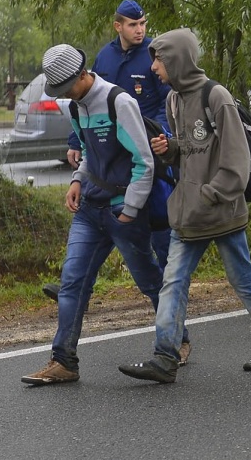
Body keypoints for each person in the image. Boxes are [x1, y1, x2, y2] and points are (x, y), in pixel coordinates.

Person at [120, 28, 251, 383]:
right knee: (173, 282)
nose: (152, 69)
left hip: (221, 211)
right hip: (188, 215)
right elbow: (187, 153)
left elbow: (236, 162)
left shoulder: (216, 96)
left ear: (177, 59)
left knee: (243, 279)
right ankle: (165, 357)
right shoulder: (173, 101)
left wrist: (210, 193)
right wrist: (171, 149)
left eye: (158, 60)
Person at [21, 45, 174, 385]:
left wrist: (131, 209)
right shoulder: (77, 107)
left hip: (123, 211)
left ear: (82, 74)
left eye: (65, 88)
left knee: (150, 282)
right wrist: (77, 180)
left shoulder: (118, 102)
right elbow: (89, 151)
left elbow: (144, 162)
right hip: (90, 210)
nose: (64, 96)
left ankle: (178, 340)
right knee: (73, 281)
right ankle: (64, 361)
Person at [52, 0, 171, 302]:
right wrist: (76, 142)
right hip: (110, 156)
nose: (140, 30)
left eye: (143, 23)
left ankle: (171, 284)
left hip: (149, 152)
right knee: (100, 224)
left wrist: (160, 137)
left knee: (159, 222)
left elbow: (167, 102)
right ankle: (80, 289)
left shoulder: (153, 56)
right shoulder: (104, 57)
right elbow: (87, 103)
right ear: (118, 26)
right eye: (133, 25)